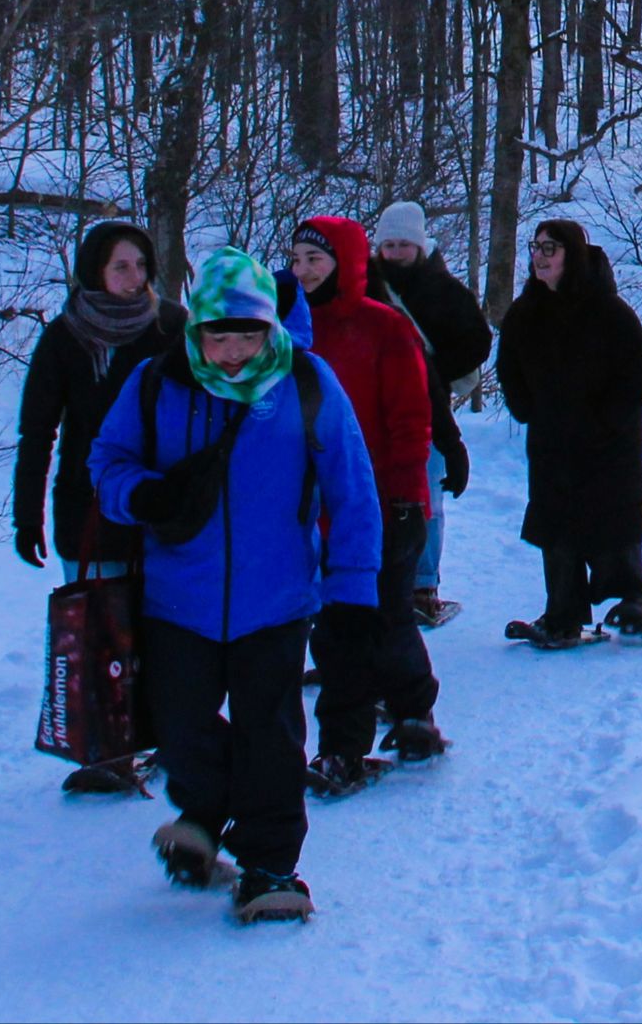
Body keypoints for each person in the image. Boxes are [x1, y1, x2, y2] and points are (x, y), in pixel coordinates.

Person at [89, 246, 382, 925]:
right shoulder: (155, 382)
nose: (230, 351)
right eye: (217, 334)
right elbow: (106, 462)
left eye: (245, 334)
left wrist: (355, 590)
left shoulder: (307, 383)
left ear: (267, 330)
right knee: (180, 727)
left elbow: (352, 487)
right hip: (176, 600)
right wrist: (145, 496)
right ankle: (205, 809)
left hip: (275, 601)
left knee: (270, 737)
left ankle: (271, 866)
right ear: (195, 331)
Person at [12, 220, 184, 793]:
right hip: (87, 510)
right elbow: (37, 432)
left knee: (162, 628)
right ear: (95, 273)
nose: (134, 279)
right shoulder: (66, 336)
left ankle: (165, 736)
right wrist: (26, 514)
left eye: (141, 265)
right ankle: (107, 749)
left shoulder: (172, 328)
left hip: (163, 503)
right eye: (120, 267)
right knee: (100, 630)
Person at [281, 215, 445, 791]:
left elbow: (410, 419)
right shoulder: (282, 334)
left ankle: (413, 711)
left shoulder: (382, 326)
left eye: (315, 261)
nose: (302, 272)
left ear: (345, 264)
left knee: (389, 616)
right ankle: (341, 748)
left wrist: (404, 496)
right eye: (296, 260)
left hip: (384, 504)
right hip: (310, 512)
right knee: (337, 633)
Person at [496, 220, 642, 647]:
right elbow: (508, 367)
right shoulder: (524, 312)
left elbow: (637, 377)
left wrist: (606, 423)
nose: (540, 256)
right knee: (556, 528)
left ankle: (632, 602)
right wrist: (527, 409)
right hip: (551, 442)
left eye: (550, 248)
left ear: (572, 254)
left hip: (609, 445)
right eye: (536, 247)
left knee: (614, 524)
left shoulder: (610, 311)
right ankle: (562, 615)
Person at [366, 200, 493, 624]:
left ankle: (423, 585)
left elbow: (477, 340)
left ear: (420, 246)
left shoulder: (445, 290)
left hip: (427, 407)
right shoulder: (365, 286)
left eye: (404, 244)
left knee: (427, 497)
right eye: (389, 244)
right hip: (372, 404)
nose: (396, 253)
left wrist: (431, 374)